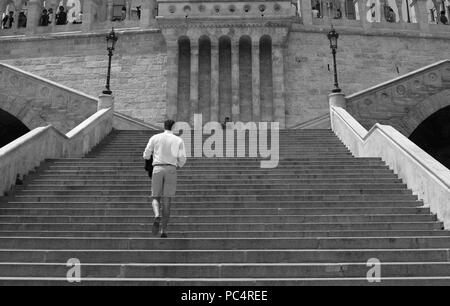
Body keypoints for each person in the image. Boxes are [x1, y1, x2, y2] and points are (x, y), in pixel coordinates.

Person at [143, 119, 187, 238]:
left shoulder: (155, 137)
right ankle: (163, 230)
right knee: (167, 202)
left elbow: (146, 154)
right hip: (171, 168)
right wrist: (177, 165)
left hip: (157, 168)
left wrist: (150, 157)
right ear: (174, 127)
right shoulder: (178, 140)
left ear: (164, 126)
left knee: (155, 197)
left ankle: (157, 215)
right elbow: (183, 158)